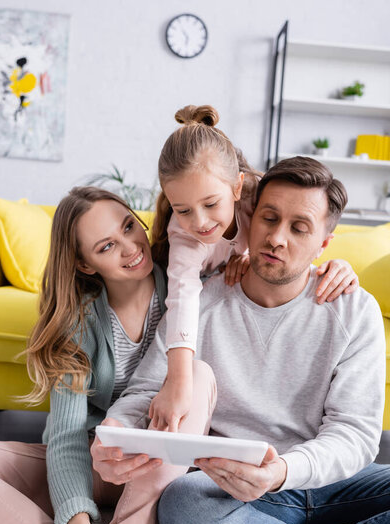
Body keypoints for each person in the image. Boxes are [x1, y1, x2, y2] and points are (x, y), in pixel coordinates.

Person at [102, 157, 389, 524]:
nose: (276, 238)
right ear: (248, 218)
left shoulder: (354, 310)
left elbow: (354, 435)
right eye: (269, 218)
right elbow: (146, 390)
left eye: (299, 227)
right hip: (228, 487)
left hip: (323, 480)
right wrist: (116, 432)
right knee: (183, 506)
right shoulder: (200, 302)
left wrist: (283, 472)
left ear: (324, 243)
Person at [0, 186, 217, 524]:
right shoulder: (77, 322)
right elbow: (66, 437)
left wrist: (330, 269)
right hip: (103, 464)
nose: (131, 247)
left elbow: (252, 234)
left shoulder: (190, 286)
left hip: (174, 464)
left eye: (129, 226)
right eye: (107, 246)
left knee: (196, 375)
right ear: (84, 263)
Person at [148, 104, 359, 433]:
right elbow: (183, 299)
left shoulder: (257, 197)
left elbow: (301, 238)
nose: (200, 222)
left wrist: (339, 265)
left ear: (236, 187)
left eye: (211, 204)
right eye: (183, 209)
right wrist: (178, 382)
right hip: (200, 292)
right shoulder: (184, 237)